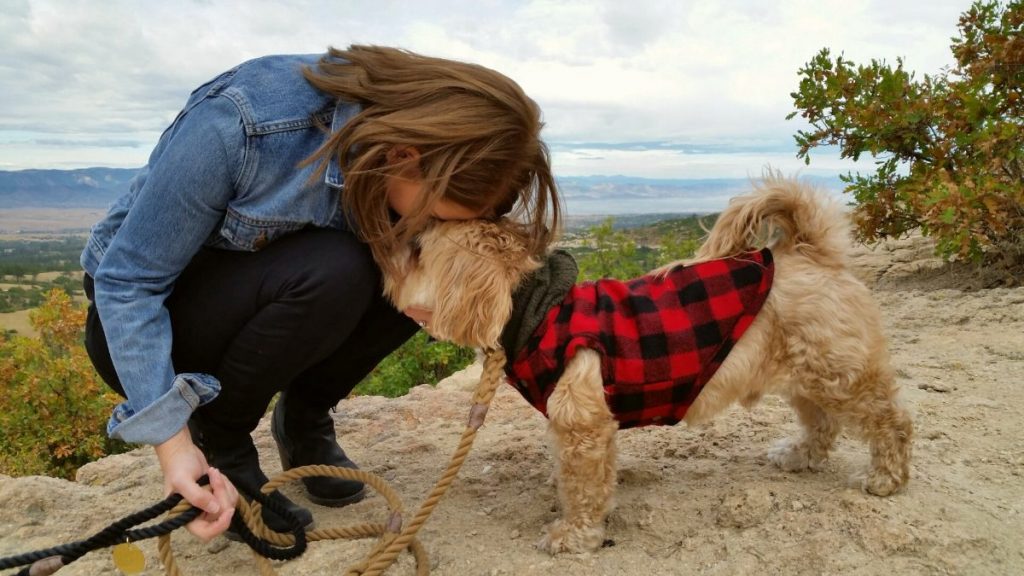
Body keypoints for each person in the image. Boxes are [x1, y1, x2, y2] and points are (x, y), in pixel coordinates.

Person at [81, 45, 561, 540]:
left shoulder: (396, 145)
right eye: (438, 207)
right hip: (152, 325)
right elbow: (128, 285)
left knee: (421, 258)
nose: (433, 222)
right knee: (343, 266)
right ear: (405, 155)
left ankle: (304, 419)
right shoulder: (242, 122)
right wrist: (175, 446)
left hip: (276, 298)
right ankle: (223, 442)